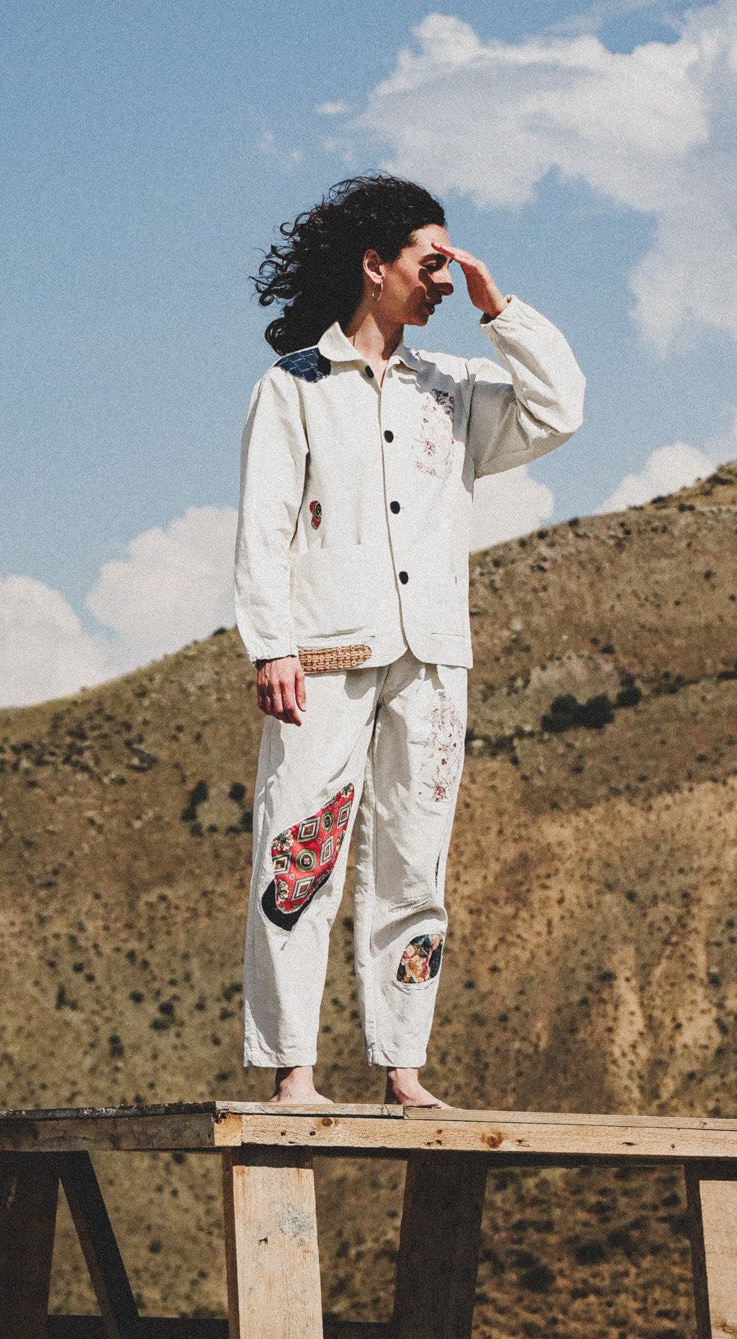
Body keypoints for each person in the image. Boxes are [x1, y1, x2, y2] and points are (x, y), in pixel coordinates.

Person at [234, 174, 585, 1107]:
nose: (442, 279)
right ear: (373, 266)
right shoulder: (295, 387)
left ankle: (402, 1069)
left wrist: (496, 306)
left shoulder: (456, 390)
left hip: (432, 661)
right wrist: (269, 645)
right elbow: (264, 526)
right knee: (298, 855)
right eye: (430, 263)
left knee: (414, 861)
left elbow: (560, 410)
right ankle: (293, 1072)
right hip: (321, 661)